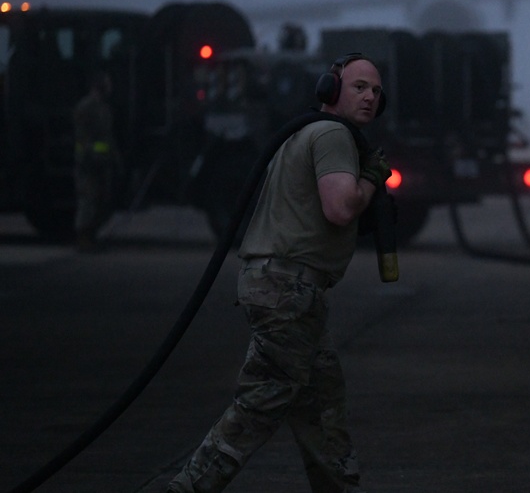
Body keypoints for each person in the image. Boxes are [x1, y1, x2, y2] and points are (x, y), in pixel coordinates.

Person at [167, 55, 392, 493]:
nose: (369, 98)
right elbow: (341, 206)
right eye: (359, 87)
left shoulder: (303, 132)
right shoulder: (332, 135)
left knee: (321, 404)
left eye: (376, 92)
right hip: (289, 289)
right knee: (262, 401)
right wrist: (370, 179)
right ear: (330, 90)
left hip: (282, 287)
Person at [73, 69, 118, 251]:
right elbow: (82, 137)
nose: (109, 87)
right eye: (106, 83)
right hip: (88, 163)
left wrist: (114, 159)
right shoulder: (86, 107)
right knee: (88, 200)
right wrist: (87, 156)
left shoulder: (104, 108)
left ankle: (91, 235)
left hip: (102, 163)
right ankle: (83, 237)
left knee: (100, 200)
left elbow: (108, 137)